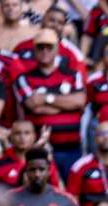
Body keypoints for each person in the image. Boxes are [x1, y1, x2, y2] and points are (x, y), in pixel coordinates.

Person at [14, 28, 87, 183]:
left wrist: (47, 98)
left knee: (71, 193)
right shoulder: (24, 78)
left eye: (49, 47)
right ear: (34, 50)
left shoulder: (72, 75)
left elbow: (80, 101)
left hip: (71, 148)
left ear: (57, 49)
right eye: (40, 47)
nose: (45, 51)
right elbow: (33, 104)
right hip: (38, 150)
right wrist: (66, 104)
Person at [0, 119, 58, 188]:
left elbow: (55, 188)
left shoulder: (44, 162)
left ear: (34, 136)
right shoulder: (0, 163)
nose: (22, 137)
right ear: (10, 137)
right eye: (17, 133)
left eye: (27, 133)